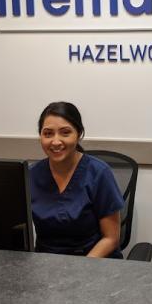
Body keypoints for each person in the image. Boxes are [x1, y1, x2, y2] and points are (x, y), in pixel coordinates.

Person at [29, 101, 125, 258]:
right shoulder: (31, 175)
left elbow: (111, 239)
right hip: (47, 262)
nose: (56, 141)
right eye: (48, 133)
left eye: (65, 133)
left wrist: (79, 268)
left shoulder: (98, 173)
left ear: (79, 134)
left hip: (93, 260)